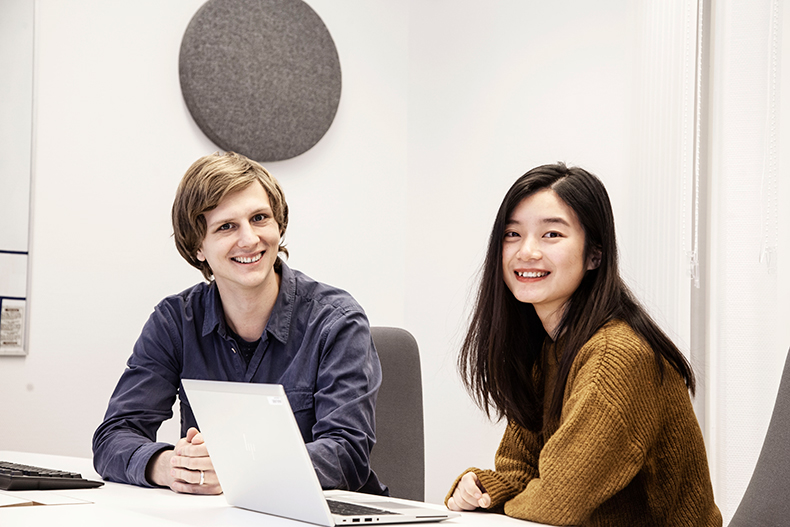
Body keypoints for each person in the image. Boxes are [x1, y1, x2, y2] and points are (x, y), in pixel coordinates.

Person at [92, 151, 386, 496]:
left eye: (260, 218)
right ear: (198, 246)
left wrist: (237, 469)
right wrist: (170, 466)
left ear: (279, 225)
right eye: (226, 226)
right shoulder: (175, 321)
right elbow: (113, 436)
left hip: (322, 514)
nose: (249, 239)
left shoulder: (336, 321)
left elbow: (346, 454)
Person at [445, 164, 721, 526]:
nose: (526, 251)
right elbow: (521, 471)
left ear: (595, 255)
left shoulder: (616, 356)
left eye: (552, 234)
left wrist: (508, 497)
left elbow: (557, 502)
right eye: (512, 234)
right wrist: (483, 488)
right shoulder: (549, 350)